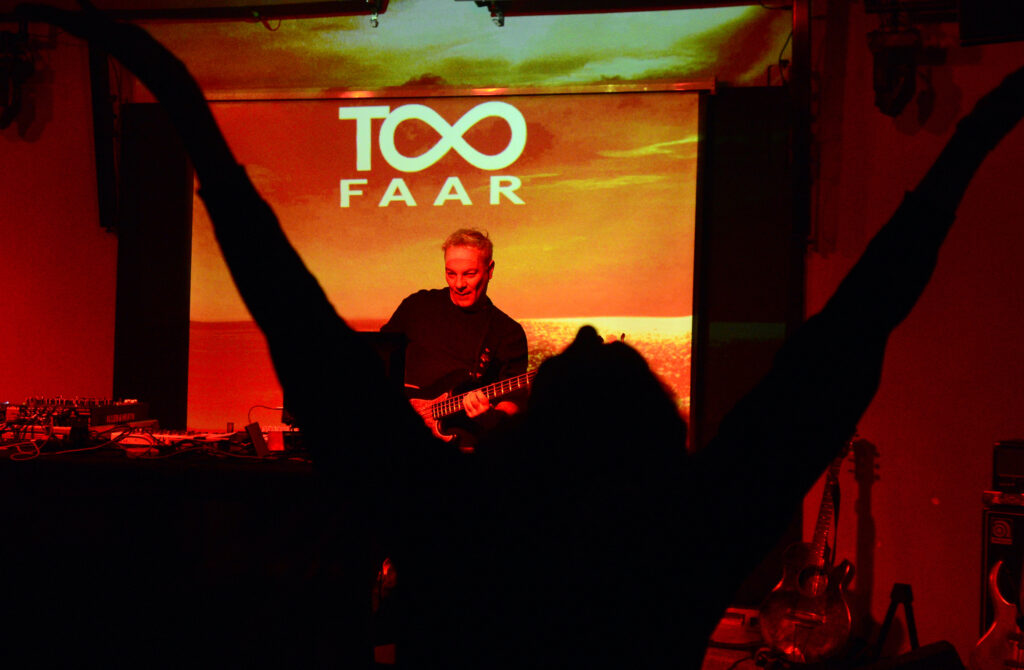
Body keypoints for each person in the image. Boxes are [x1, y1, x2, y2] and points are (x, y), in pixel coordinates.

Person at [15, 5, 1024, 667]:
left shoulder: (457, 524)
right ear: (659, 444)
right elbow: (848, 337)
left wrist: (183, 107)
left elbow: (297, 323)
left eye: (584, 361)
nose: (581, 329)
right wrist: (969, 140)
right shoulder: (684, 537)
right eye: (610, 352)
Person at [381, 229, 528, 450]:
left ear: (490, 270)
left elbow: (514, 403)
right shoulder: (416, 306)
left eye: (469, 274)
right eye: (451, 273)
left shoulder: (507, 332)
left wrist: (489, 417)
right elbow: (381, 358)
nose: (458, 284)